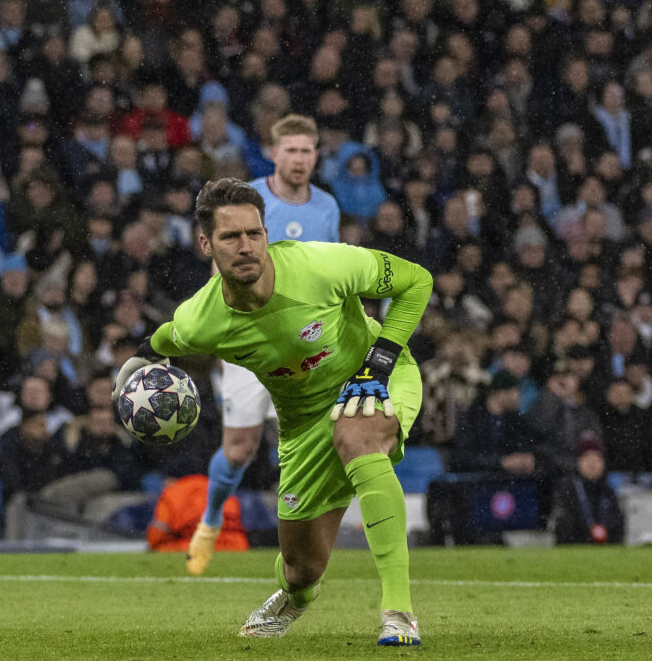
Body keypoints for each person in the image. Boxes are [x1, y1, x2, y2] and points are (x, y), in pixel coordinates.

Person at [113, 178, 431, 646]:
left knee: (356, 433)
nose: (246, 246)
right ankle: (294, 597)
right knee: (302, 569)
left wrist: (378, 363)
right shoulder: (202, 319)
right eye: (230, 237)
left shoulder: (323, 265)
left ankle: (399, 612)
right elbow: (171, 337)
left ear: (266, 233)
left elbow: (416, 281)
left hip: (373, 380)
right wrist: (143, 353)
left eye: (254, 233)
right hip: (302, 425)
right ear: (206, 244)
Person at [187, 113, 341, 577]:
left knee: (314, 444)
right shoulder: (246, 201)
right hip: (250, 339)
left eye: (306, 151)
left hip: (306, 345)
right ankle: (210, 521)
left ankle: (302, 545)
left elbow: (333, 270)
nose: (298, 159)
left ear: (316, 155)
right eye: (290, 151)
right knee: (238, 449)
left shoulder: (328, 208)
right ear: (273, 153)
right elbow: (221, 269)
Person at [548, 434, 624, 545]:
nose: (592, 463)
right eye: (587, 457)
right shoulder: (567, 490)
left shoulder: (608, 492)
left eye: (597, 458)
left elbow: (617, 527)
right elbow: (563, 528)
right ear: (578, 462)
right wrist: (587, 536)